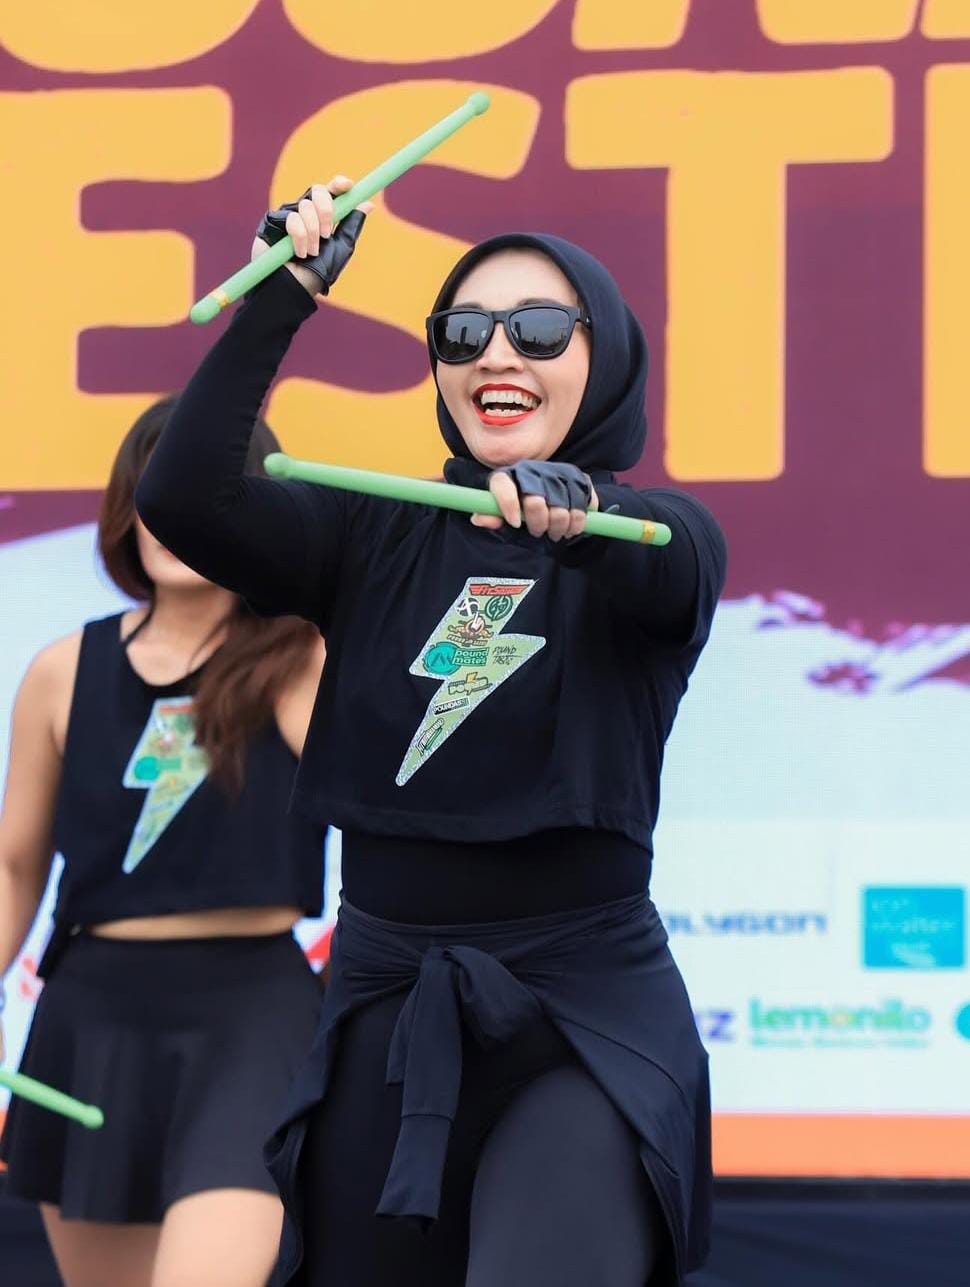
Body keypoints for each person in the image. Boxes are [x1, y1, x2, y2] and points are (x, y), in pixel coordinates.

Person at [135, 178, 727, 1287]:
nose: (497, 352)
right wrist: (279, 297)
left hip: (581, 1021)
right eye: (465, 331)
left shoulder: (658, 537)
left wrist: (580, 515)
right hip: (386, 1008)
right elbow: (184, 497)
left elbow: (668, 560)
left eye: (538, 328)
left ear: (605, 358)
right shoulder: (372, 532)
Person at [0, 398, 328, 1287]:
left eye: (199, 490)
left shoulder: (303, 660)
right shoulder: (60, 670)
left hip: (254, 1015)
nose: (169, 516)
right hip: (91, 1020)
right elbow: (16, 864)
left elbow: (393, 810)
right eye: (153, 491)